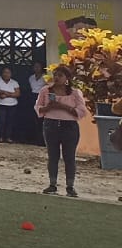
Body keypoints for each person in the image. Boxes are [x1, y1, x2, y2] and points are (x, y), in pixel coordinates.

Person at [35, 65, 88, 197]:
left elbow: (82, 111)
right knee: (53, 156)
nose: (56, 78)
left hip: (69, 126)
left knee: (69, 157)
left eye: (60, 75)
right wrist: (48, 108)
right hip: (51, 124)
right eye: (55, 75)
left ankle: (70, 186)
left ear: (67, 78)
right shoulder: (45, 91)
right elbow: (38, 107)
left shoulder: (74, 93)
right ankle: (52, 184)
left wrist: (62, 106)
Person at [0, 64, 20, 142]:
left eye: (8, 72)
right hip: (0, 104)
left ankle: (8, 137)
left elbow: (17, 94)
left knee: (10, 121)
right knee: (1, 121)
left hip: (12, 105)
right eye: (4, 72)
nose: (6, 74)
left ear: (11, 74)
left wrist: (6, 94)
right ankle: (0, 137)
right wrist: (9, 93)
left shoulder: (14, 82)